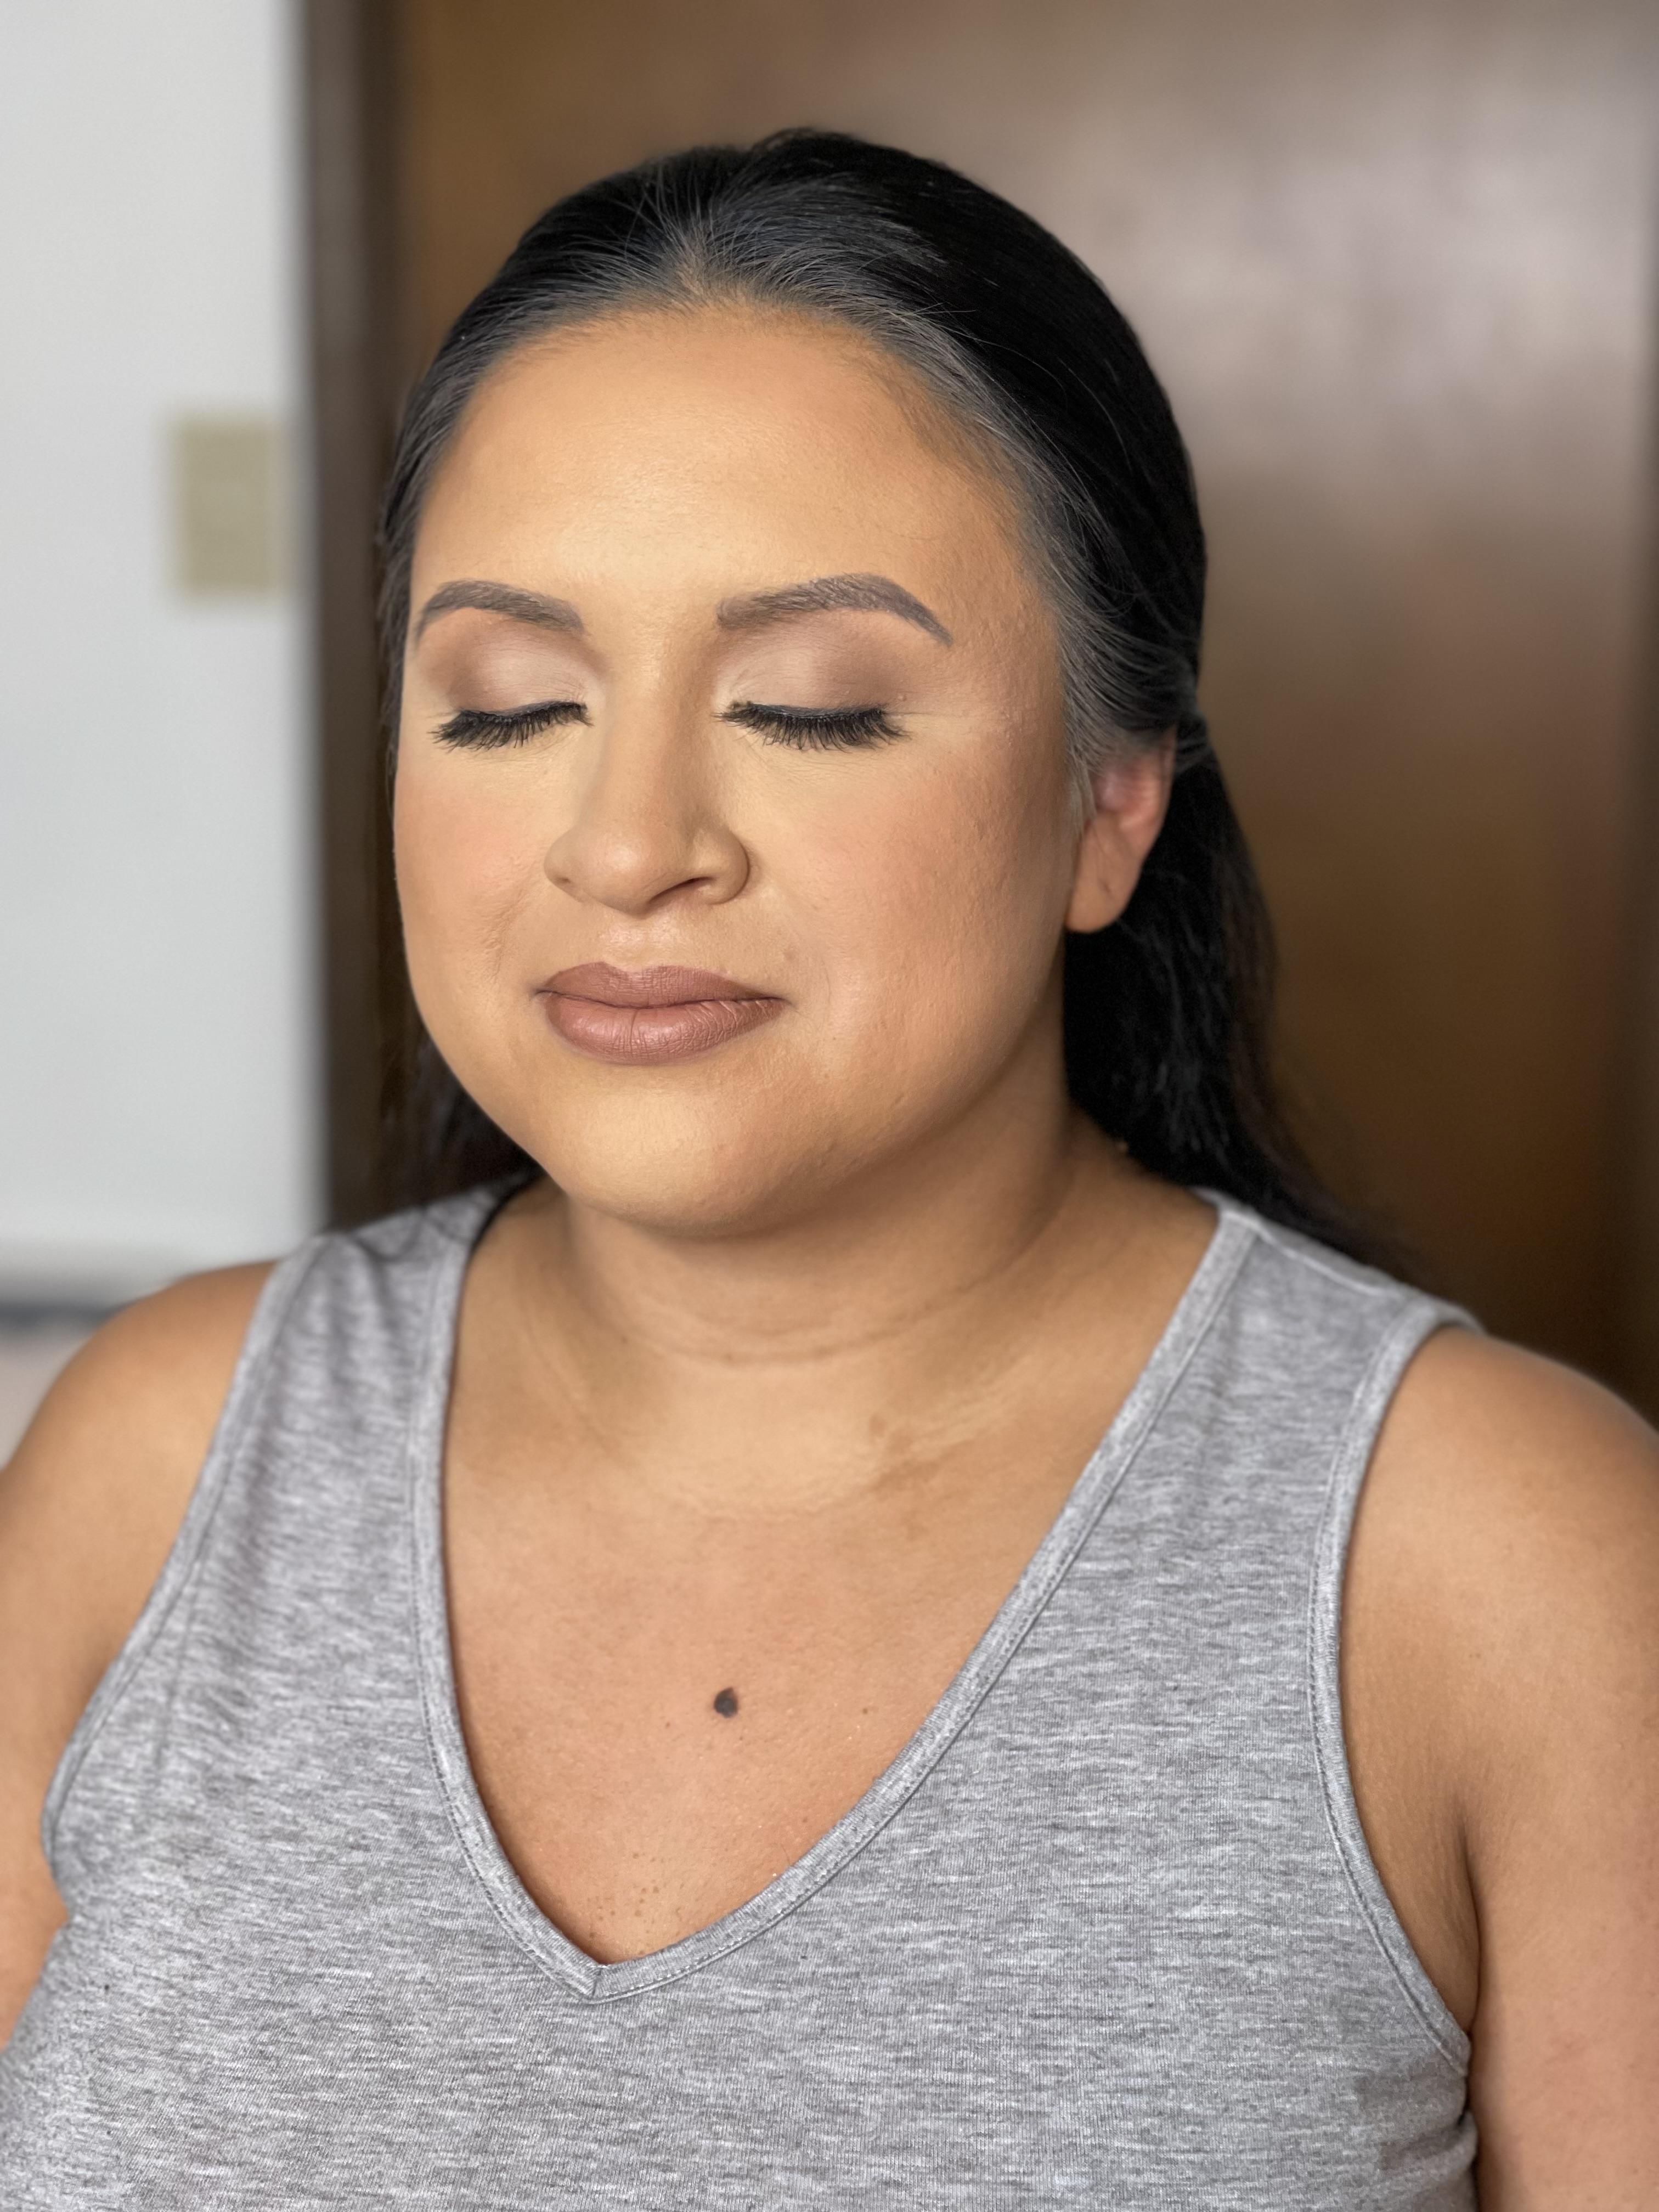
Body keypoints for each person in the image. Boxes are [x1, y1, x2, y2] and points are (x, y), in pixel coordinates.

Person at [1, 131, 1654, 2209]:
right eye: (509, 706)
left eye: (811, 707)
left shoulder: (1503, 1566)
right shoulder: (159, 1458)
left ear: (1112, 800)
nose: (628, 845)